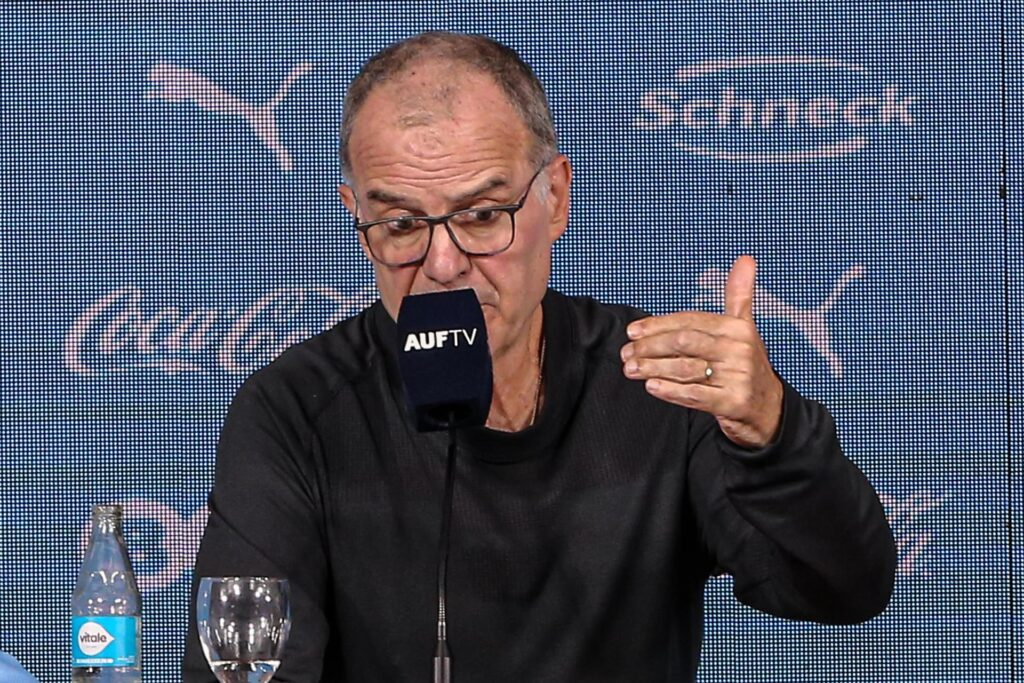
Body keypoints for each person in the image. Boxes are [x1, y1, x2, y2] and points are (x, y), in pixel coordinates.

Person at [183, 31, 895, 681]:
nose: (442, 262)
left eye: (481, 216)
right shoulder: (296, 409)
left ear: (555, 198)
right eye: (401, 224)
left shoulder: (657, 378)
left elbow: (845, 588)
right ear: (359, 223)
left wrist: (771, 434)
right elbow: (240, 671)